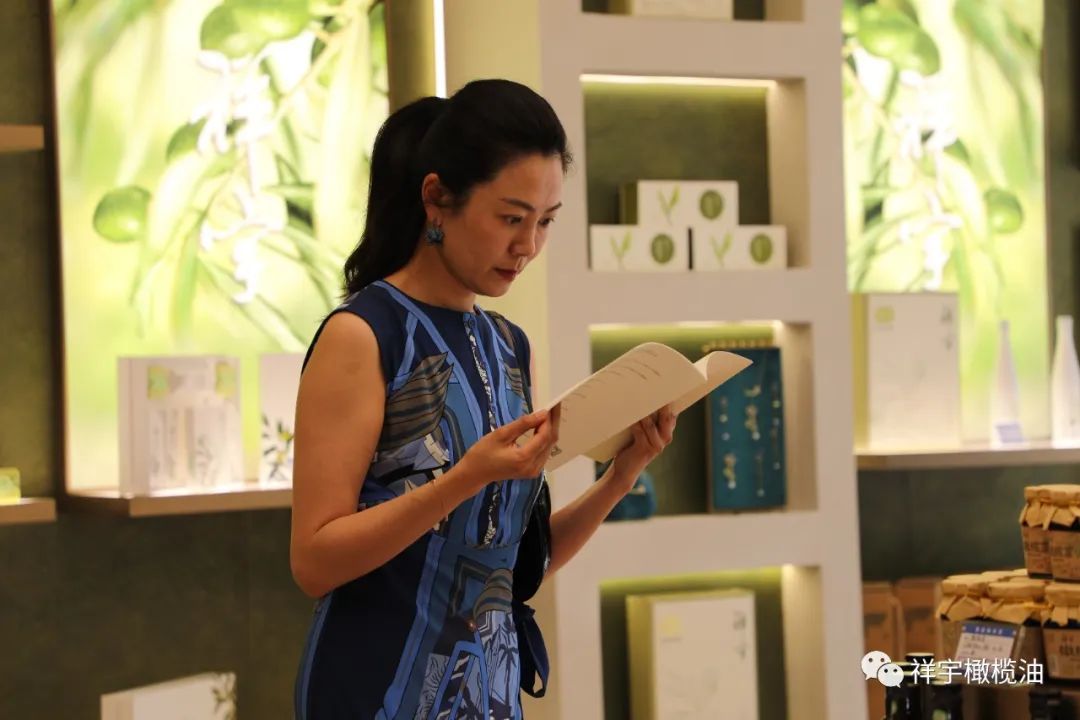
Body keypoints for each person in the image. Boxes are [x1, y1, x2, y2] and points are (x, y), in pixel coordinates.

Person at [290, 79, 677, 720]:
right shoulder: (364, 335)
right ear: (437, 200)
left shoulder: (510, 346)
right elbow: (314, 560)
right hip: (373, 692)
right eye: (511, 218)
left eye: (545, 222)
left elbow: (511, 567)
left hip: (488, 696)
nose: (528, 246)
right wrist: (465, 478)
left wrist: (620, 476)